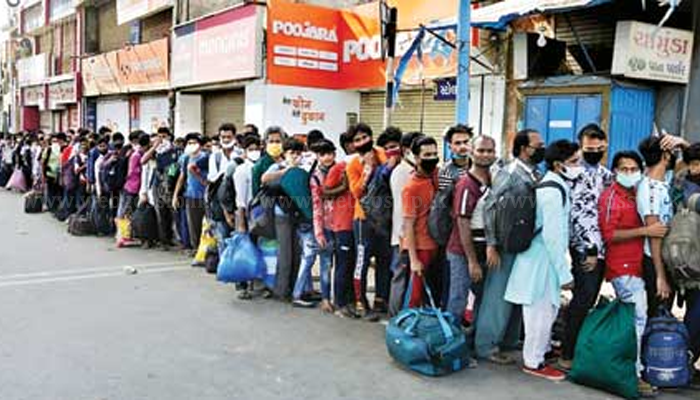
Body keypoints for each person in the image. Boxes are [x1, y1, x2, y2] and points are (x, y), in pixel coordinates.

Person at [504, 139, 579, 381]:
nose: (578, 166)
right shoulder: (552, 190)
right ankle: (533, 362)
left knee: (547, 309)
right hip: (540, 260)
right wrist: (564, 274)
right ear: (558, 164)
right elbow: (553, 236)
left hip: (542, 259)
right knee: (540, 312)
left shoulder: (554, 184)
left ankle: (542, 351)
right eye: (574, 161)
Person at [599, 150, 667, 397]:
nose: (629, 173)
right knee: (637, 318)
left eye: (633, 169)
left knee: (637, 318)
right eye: (623, 169)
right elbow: (609, 234)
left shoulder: (639, 192)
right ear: (615, 171)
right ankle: (633, 375)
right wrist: (645, 231)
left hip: (638, 265)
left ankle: (628, 368)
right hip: (623, 266)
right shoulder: (610, 197)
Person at [477, 129, 545, 364]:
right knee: (497, 296)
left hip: (525, 243)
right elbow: (489, 207)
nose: (542, 149)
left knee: (518, 293)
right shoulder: (509, 173)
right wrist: (491, 244)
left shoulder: (536, 173)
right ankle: (486, 346)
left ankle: (509, 339)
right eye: (538, 145)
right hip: (505, 244)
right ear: (524, 148)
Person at [560, 124, 614, 370]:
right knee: (583, 298)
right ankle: (567, 353)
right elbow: (580, 215)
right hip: (585, 246)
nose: (594, 152)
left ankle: (576, 347)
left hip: (603, 246)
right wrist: (590, 248)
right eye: (589, 149)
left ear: (605, 146)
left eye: (598, 148)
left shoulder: (607, 175)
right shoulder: (574, 174)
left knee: (589, 298)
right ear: (581, 147)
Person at [446, 135, 496, 326]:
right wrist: (472, 261)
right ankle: (451, 339)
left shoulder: (492, 180)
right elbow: (463, 222)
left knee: (482, 298)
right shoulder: (466, 184)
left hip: (483, 250)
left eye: (490, 151)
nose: (485, 155)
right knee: (458, 299)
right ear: (472, 153)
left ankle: (471, 338)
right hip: (463, 252)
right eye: (481, 150)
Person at [637, 134, 687, 316]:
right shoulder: (650, 189)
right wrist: (661, 277)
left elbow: (692, 161)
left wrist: (682, 144)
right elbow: (654, 235)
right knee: (658, 316)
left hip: (667, 258)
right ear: (665, 156)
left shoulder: (664, 179)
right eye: (672, 153)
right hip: (655, 260)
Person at [346, 123, 390, 321]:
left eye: (365, 137)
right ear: (352, 145)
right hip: (363, 219)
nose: (362, 142)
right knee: (362, 261)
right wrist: (368, 169)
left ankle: (380, 299)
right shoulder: (353, 164)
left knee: (384, 259)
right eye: (357, 140)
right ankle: (360, 302)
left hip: (383, 218)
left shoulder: (382, 153)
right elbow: (356, 192)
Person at [261, 137, 311, 304]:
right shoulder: (278, 166)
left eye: (298, 153)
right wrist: (287, 171)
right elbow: (264, 178)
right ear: (285, 154)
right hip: (281, 214)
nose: (295, 156)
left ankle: (296, 288)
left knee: (297, 253)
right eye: (291, 153)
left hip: (298, 215)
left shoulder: (304, 168)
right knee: (285, 253)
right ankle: (281, 290)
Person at [402, 136, 440, 307]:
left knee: (430, 295)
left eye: (435, 154)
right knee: (415, 295)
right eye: (427, 155)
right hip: (421, 248)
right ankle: (407, 321)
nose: (432, 158)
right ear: (417, 158)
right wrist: (414, 260)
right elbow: (408, 225)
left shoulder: (436, 176)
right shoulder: (411, 188)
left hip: (436, 245)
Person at [674, 143, 700, 385]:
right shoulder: (683, 185)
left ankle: (687, 361)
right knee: (696, 313)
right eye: (693, 164)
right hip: (688, 261)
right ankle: (683, 361)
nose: (696, 168)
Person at [324, 133, 357, 318]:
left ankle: (352, 300)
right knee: (343, 264)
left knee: (353, 264)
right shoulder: (339, 167)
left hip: (359, 222)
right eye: (354, 141)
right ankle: (340, 303)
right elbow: (325, 192)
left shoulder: (365, 164)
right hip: (343, 223)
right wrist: (344, 186)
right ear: (347, 145)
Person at [309, 139, 338, 313]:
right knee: (326, 264)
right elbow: (316, 205)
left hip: (343, 225)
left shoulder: (342, 170)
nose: (327, 157)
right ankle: (326, 299)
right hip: (326, 226)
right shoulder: (315, 177)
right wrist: (318, 232)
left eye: (330, 153)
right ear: (317, 157)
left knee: (342, 265)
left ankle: (341, 298)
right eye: (323, 154)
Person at [390, 132, 424, 274]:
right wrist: (402, 235)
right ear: (406, 150)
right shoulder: (401, 172)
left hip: (415, 236)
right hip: (403, 237)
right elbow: (400, 208)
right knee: (400, 276)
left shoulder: (416, 171)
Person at [233, 134, 262, 300]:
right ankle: (242, 285)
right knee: (244, 250)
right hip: (245, 214)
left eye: (257, 149)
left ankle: (256, 283)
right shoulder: (242, 170)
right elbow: (240, 200)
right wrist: (242, 223)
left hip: (260, 214)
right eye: (251, 149)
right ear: (244, 151)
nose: (254, 152)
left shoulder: (262, 167)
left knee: (257, 249)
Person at [173, 133, 210, 253]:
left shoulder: (207, 157)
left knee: (209, 223)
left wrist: (199, 177)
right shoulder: (185, 158)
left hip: (207, 195)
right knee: (193, 224)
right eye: (189, 143)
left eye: (194, 143)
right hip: (191, 195)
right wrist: (175, 195)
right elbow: (182, 177)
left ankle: (208, 249)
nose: (192, 145)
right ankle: (196, 249)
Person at [118, 132, 149, 219]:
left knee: (128, 209)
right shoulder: (136, 155)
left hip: (133, 187)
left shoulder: (137, 153)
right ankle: (122, 226)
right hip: (131, 187)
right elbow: (131, 171)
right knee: (126, 210)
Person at [252, 126, 286, 197]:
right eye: (271, 141)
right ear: (265, 143)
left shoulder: (287, 161)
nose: (274, 144)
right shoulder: (259, 165)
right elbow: (256, 191)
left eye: (277, 141)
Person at [438, 124, 473, 190]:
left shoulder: (479, 166)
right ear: (450, 147)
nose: (463, 146)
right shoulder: (446, 171)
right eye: (457, 143)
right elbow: (444, 196)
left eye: (466, 142)